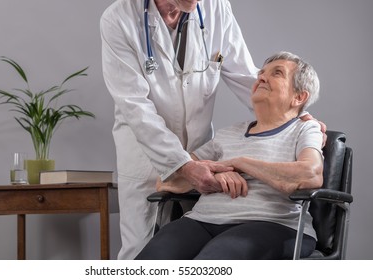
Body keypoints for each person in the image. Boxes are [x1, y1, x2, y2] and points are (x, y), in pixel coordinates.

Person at [100, 0, 259, 259]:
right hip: (148, 157)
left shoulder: (216, 7)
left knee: (194, 248)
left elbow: (246, 77)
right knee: (140, 251)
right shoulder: (118, 18)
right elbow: (135, 106)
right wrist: (181, 165)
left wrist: (298, 116)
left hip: (201, 152)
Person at [135, 51, 324, 259]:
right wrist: (214, 174)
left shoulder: (305, 130)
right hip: (202, 220)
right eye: (261, 72)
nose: (261, 77)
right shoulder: (227, 134)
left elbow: (310, 175)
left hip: (272, 223)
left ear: (299, 97)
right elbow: (167, 181)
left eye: (276, 73)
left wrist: (239, 163)